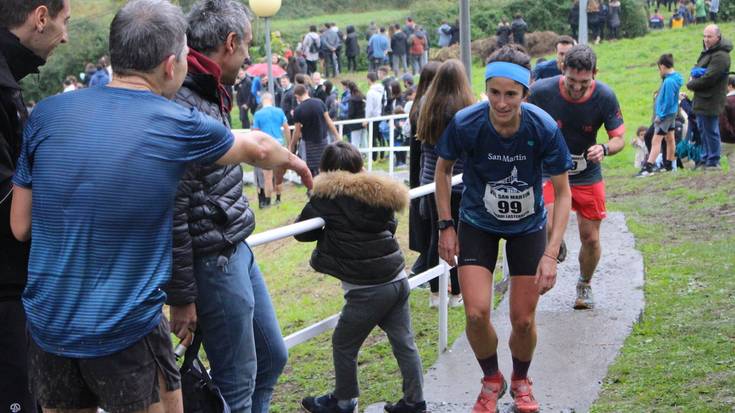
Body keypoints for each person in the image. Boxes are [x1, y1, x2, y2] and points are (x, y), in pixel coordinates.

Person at [9, 2, 312, 413]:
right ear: (171, 66)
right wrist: (293, 162)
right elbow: (256, 146)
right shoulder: (172, 123)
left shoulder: (45, 114)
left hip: (49, 330)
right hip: (126, 330)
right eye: (187, 57)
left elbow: (21, 226)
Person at [166, 3, 290, 412]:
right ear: (230, 43)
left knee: (272, 357)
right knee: (234, 385)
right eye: (248, 46)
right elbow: (174, 206)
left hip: (236, 245)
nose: (250, 57)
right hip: (212, 258)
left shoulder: (208, 88)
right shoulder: (184, 100)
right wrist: (183, 295)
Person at [435, 45, 572, 413]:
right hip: (477, 222)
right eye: (494, 92)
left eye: (511, 94)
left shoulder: (542, 127)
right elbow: (442, 171)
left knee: (523, 320)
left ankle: (521, 381)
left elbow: (563, 193)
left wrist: (550, 253)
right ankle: (491, 379)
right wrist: (446, 225)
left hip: (528, 227)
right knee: (476, 313)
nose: (501, 102)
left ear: (525, 94)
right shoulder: (467, 122)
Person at [296, 141, 427, 413]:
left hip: (367, 289)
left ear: (325, 170)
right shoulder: (379, 193)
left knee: (343, 342)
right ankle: (415, 401)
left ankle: (343, 402)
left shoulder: (327, 198)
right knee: (404, 343)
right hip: (397, 278)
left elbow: (302, 232)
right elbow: (390, 225)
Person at [0, 1, 70, 411]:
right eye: (65, 23)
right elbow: (9, 202)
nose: (65, 37)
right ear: (40, 17)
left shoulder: (10, 78)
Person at [527, 44, 626, 310]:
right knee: (546, 223)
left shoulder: (605, 95)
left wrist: (604, 148)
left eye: (584, 82)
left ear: (595, 73)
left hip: (586, 173)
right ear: (562, 69)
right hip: (550, 170)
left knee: (590, 238)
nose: (577, 87)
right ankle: (555, 245)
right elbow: (519, 119)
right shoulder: (540, 91)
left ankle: (584, 283)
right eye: (572, 80)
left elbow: (619, 138)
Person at [416, 59, 474, 307]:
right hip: (458, 182)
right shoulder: (464, 111)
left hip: (430, 182)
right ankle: (457, 292)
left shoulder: (426, 107)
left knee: (435, 237)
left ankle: (435, 293)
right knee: (461, 238)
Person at [407, 62, 440, 278]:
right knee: (431, 226)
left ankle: (423, 266)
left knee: (428, 222)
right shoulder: (426, 109)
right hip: (427, 171)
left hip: (421, 170)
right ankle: (425, 270)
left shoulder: (418, 106)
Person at [686, 24, 732, 170]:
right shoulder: (708, 52)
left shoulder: (721, 56)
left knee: (710, 130)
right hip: (702, 98)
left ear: (718, 37)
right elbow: (699, 72)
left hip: (711, 99)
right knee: (702, 129)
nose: (706, 39)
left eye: (709, 36)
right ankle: (706, 158)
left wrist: (691, 84)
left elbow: (709, 78)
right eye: (704, 36)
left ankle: (713, 160)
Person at [638, 53, 683, 176]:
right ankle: (669, 166)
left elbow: (668, 102)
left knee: (656, 140)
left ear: (662, 66)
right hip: (671, 114)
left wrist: (660, 116)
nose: (659, 72)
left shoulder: (669, 81)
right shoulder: (676, 78)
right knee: (670, 139)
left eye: (659, 69)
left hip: (665, 115)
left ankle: (648, 168)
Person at [291, 84, 341, 177]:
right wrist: (337, 136)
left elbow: (297, 132)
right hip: (323, 139)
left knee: (310, 169)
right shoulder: (320, 102)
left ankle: (312, 189)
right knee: (325, 165)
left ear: (297, 96)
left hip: (308, 143)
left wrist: (292, 145)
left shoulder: (298, 110)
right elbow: (329, 121)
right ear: (307, 92)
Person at [253, 92, 291, 206]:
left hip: (266, 146)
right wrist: (288, 144)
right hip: (279, 144)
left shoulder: (258, 114)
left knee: (267, 176)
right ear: (271, 100)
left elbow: (255, 133)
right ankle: (278, 199)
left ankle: (268, 201)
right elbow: (287, 128)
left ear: (262, 101)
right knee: (279, 174)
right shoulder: (279, 111)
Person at [365, 71, 386, 160]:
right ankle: (382, 154)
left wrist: (366, 119)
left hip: (372, 118)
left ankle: (374, 157)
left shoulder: (370, 92)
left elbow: (369, 108)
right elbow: (384, 102)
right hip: (380, 115)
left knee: (372, 137)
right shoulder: (382, 90)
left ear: (369, 80)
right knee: (380, 136)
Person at [717, 75, 735, 171]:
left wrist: (730, 133)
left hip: (726, 139)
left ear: (730, 86)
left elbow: (723, 123)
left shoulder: (725, 101)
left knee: (713, 159)